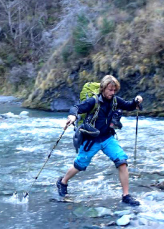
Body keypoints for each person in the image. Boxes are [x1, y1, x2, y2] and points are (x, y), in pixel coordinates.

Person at [56, 75, 143, 206]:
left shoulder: (115, 100)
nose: (112, 93)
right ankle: (62, 182)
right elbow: (76, 108)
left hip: (108, 138)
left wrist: (136, 100)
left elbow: (129, 106)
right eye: (110, 90)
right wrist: (72, 116)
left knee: (122, 161)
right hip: (92, 139)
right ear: (103, 89)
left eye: (114, 90)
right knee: (80, 164)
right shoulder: (93, 101)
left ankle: (126, 196)